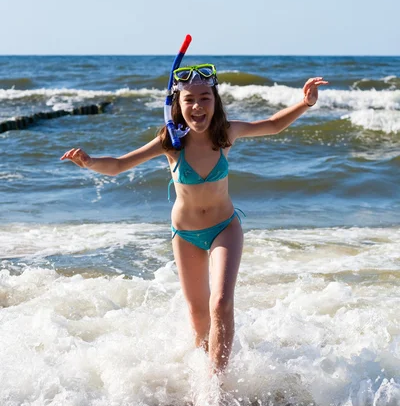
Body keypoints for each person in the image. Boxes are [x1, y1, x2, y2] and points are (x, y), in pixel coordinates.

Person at [61, 65, 328, 374]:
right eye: (189, 100)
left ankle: (216, 387)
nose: (198, 106)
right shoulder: (170, 142)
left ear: (215, 102)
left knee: (220, 304)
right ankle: (201, 373)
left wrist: (305, 103)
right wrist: (90, 162)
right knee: (199, 315)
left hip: (224, 228)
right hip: (185, 233)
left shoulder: (226, 133)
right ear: (178, 104)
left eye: (205, 98)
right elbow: (120, 164)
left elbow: (271, 125)